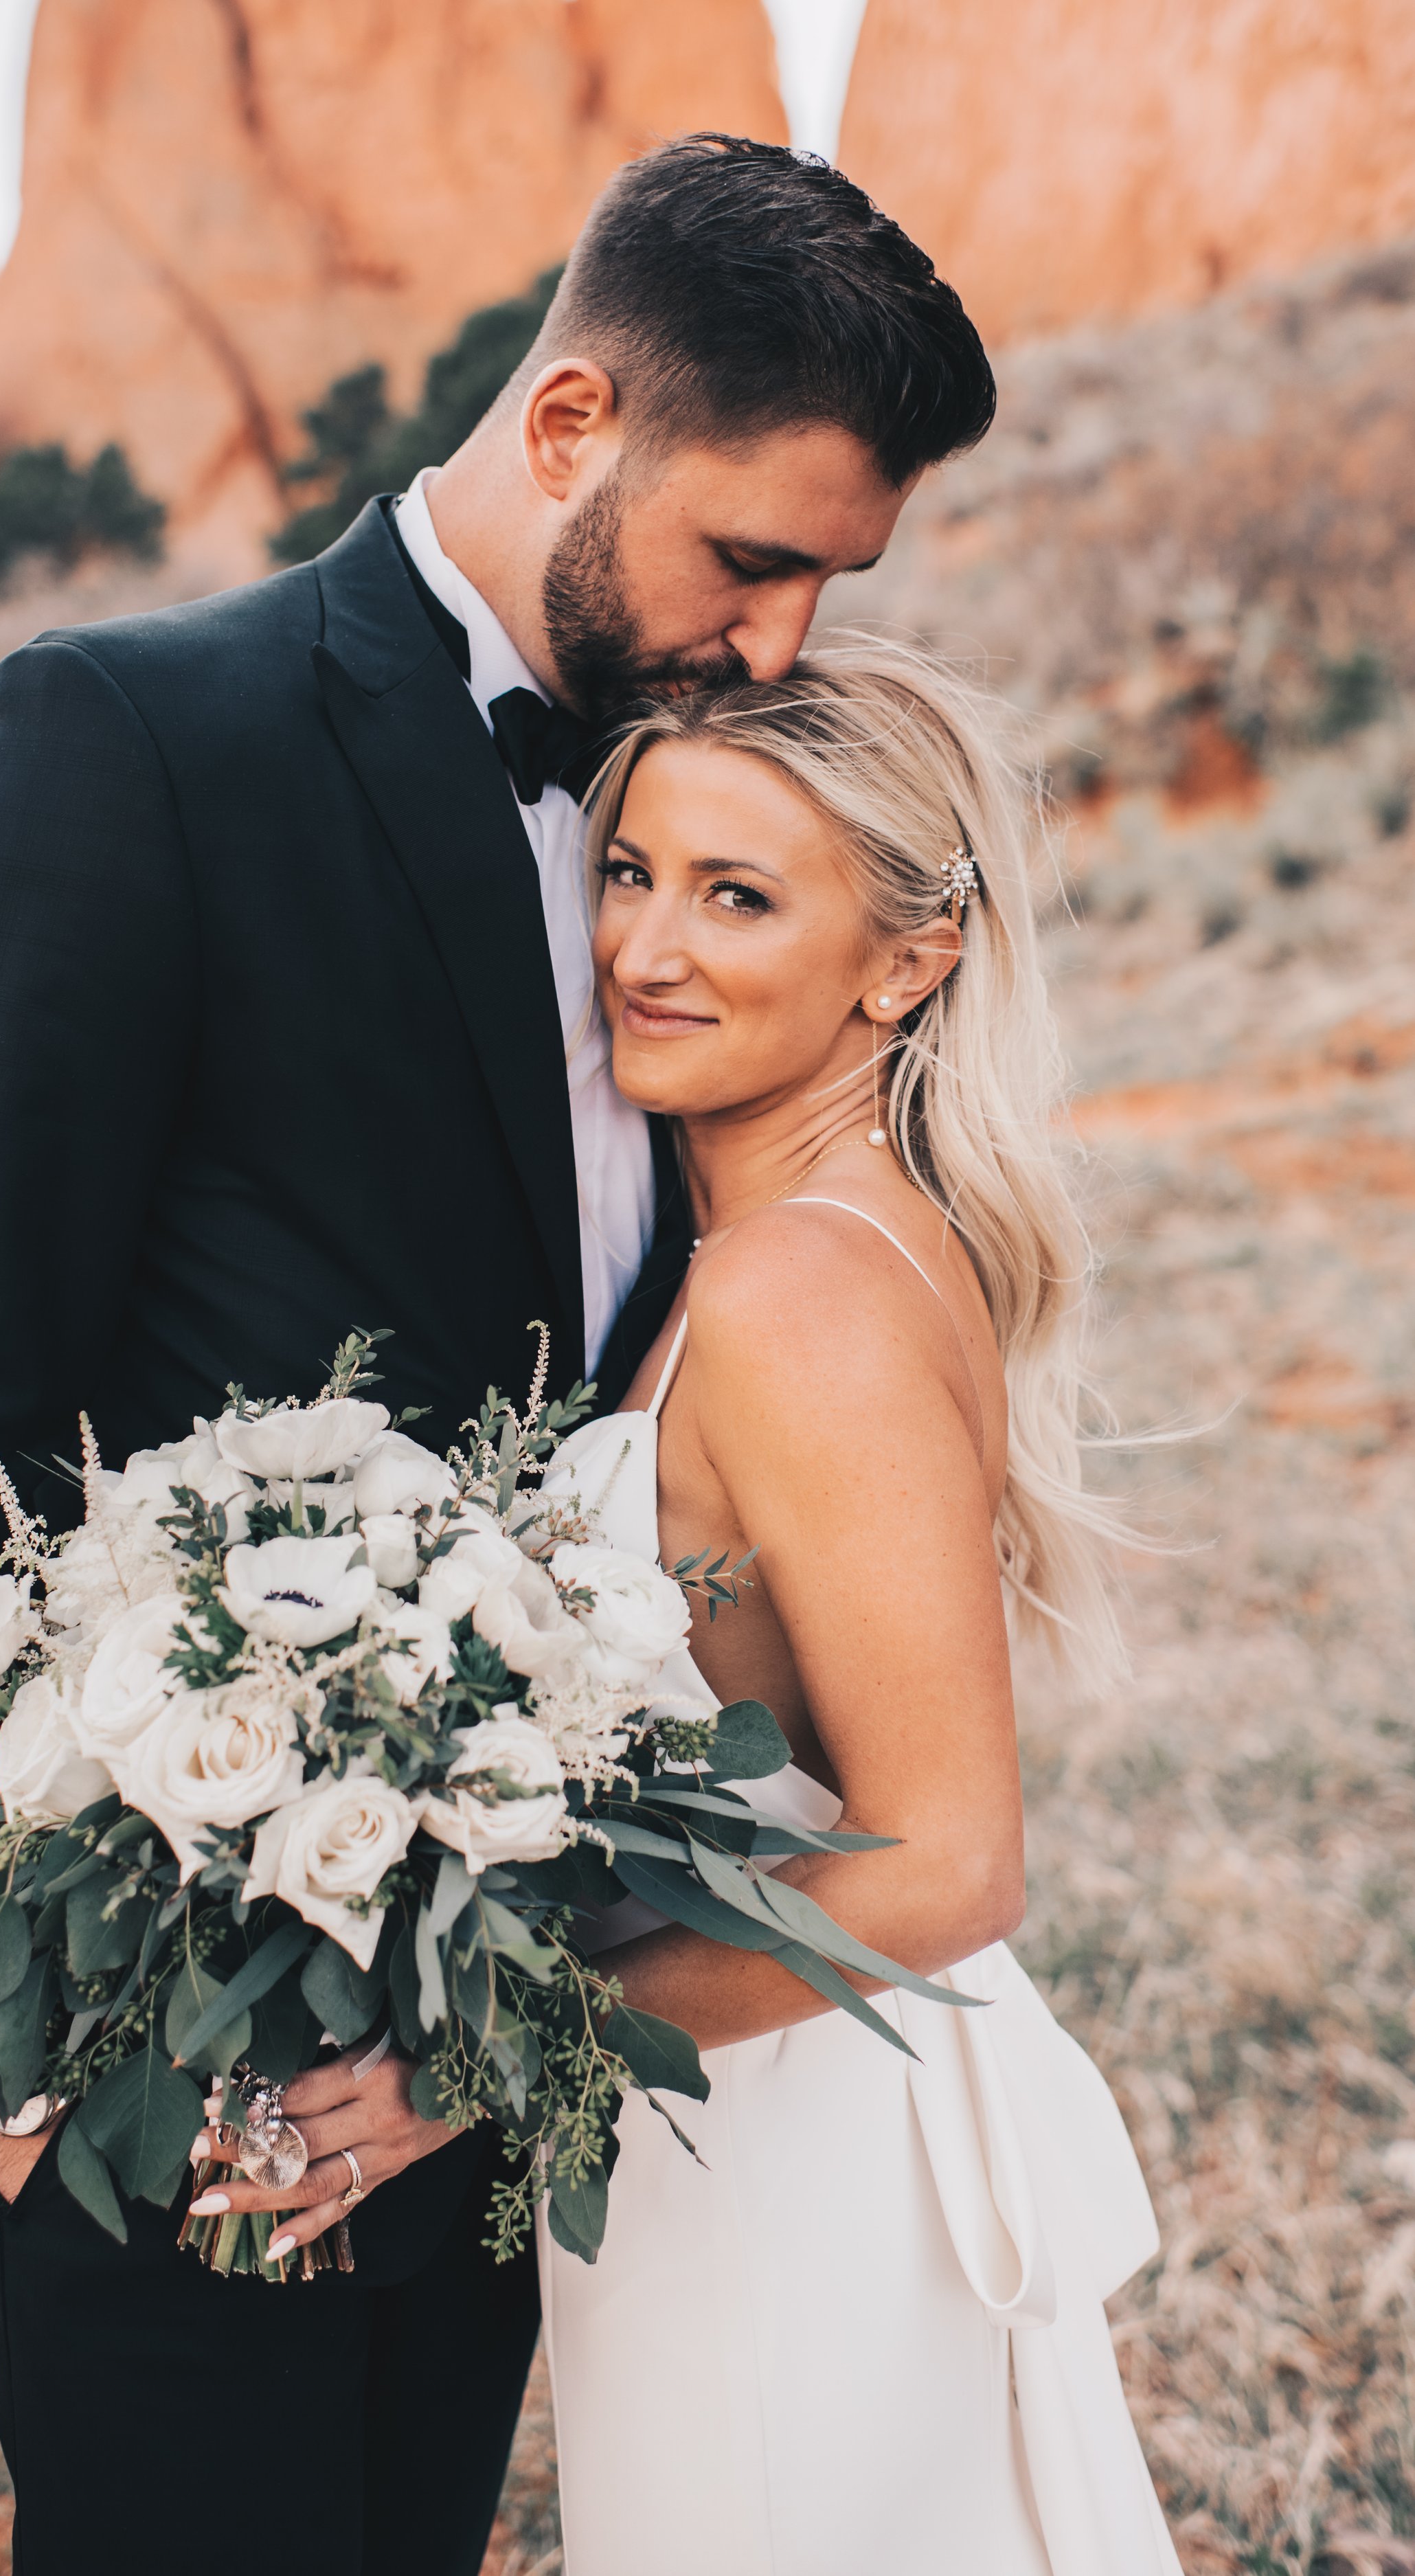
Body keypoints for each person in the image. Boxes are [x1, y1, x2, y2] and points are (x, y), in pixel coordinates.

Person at [0, 138, 995, 2574]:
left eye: (829, 587)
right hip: (182, 2027)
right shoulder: (131, 744)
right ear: (568, 424)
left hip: (524, 2023)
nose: (776, 642)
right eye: (749, 557)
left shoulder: (716, 818)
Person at [532, 648, 1181, 2575]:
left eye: (738, 896)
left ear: (902, 961)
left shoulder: (792, 1290)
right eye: (630, 870)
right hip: (763, 2093)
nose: (646, 945)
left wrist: (488, 2048)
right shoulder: (790, 1233)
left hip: (793, 2141)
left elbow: (944, 1868)